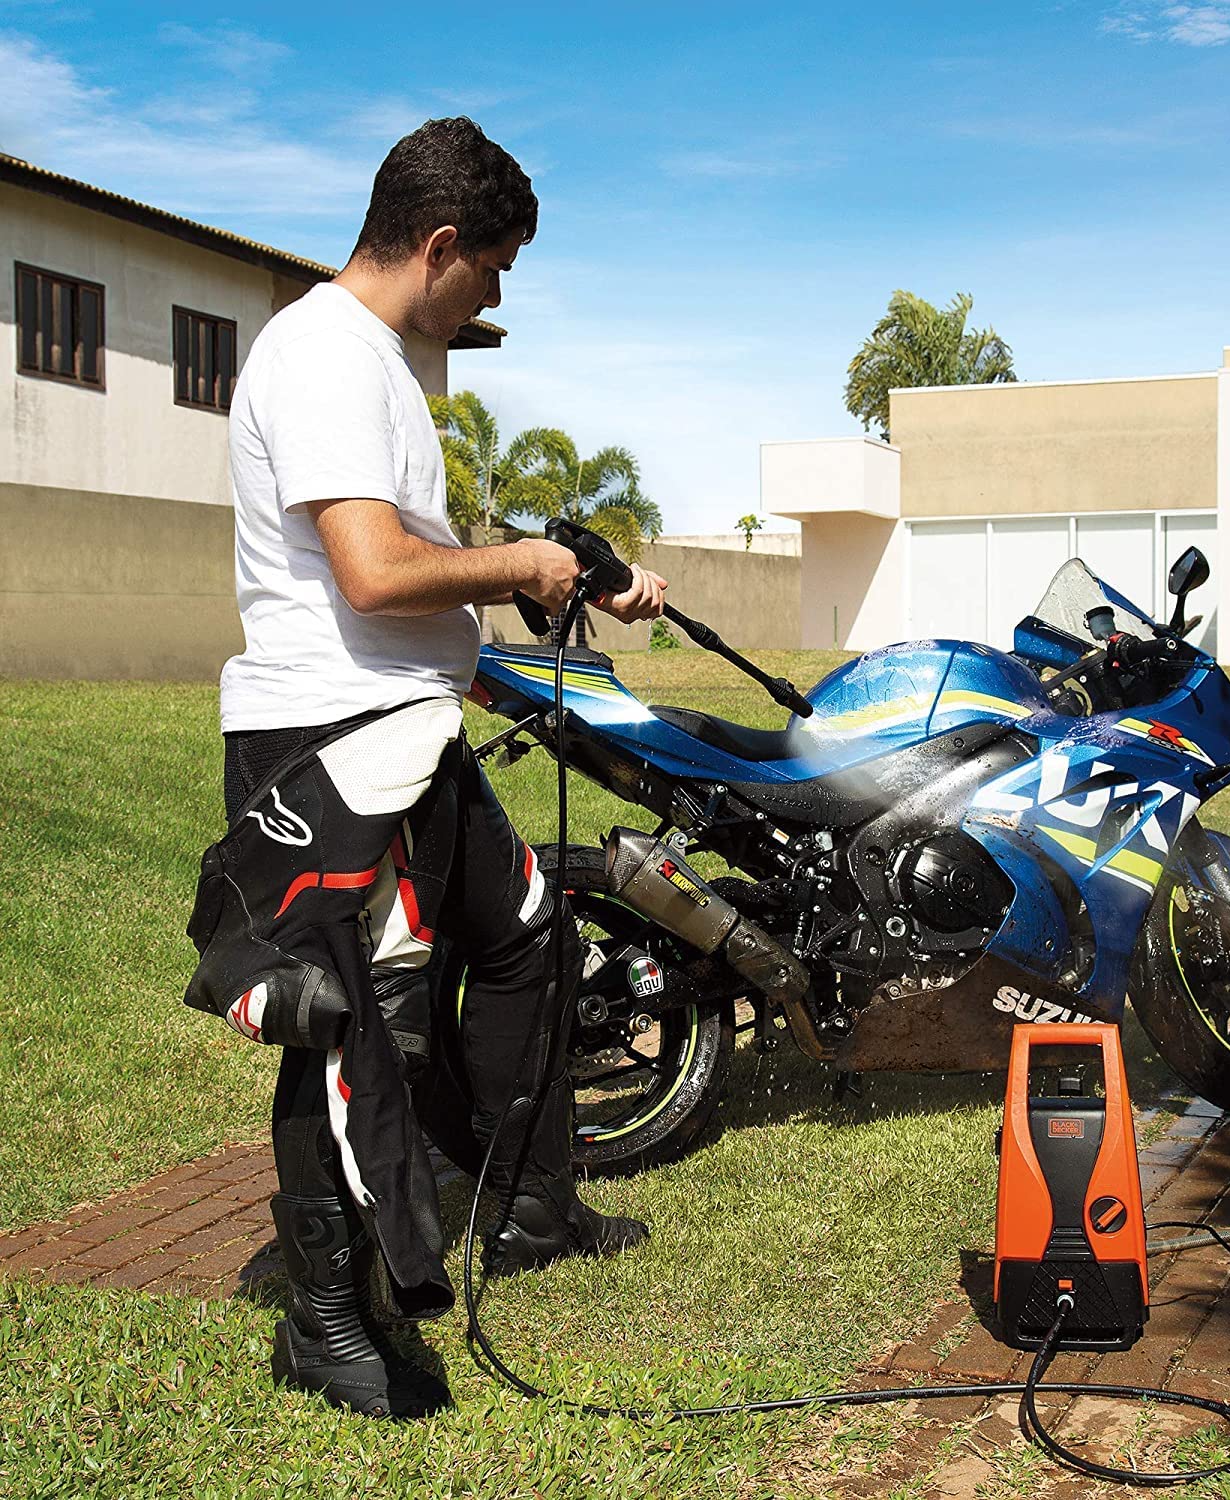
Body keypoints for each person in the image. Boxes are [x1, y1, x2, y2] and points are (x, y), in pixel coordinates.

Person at [188, 117, 666, 1420]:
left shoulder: (387, 364)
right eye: (493, 269)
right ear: (439, 243)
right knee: (355, 1029)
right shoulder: (325, 356)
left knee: (523, 939)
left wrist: (564, 579)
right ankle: (325, 1320)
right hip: (329, 747)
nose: (496, 296)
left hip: (408, 730)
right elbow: (373, 573)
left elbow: (408, 568)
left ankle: (523, 1208)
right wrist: (518, 567)